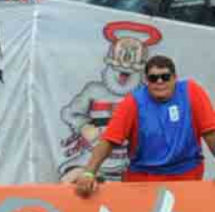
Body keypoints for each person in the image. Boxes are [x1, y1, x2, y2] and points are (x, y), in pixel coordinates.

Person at [75, 55, 215, 196]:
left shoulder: (192, 92)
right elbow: (109, 140)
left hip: (187, 175)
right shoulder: (133, 102)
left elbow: (211, 133)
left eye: (165, 77)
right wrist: (88, 173)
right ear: (146, 81)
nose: (159, 82)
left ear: (175, 78)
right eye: (153, 78)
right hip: (144, 178)